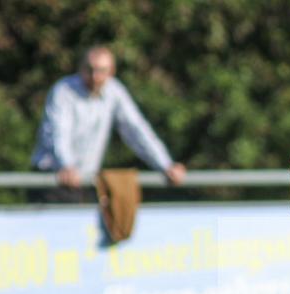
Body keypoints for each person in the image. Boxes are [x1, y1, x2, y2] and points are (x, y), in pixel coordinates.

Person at [30, 46, 186, 202]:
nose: (95, 76)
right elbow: (59, 133)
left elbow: (136, 130)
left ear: (112, 72)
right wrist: (67, 165)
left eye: (101, 71)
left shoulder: (115, 91)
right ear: (81, 68)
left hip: (86, 181)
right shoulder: (63, 91)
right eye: (90, 70)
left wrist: (166, 165)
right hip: (53, 179)